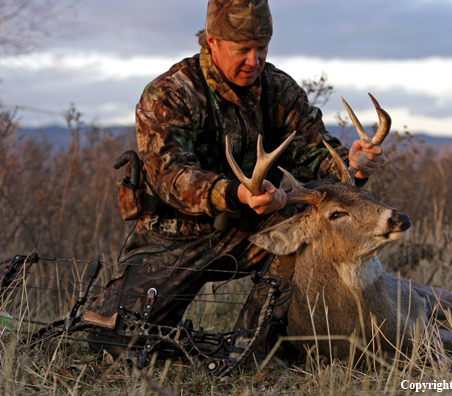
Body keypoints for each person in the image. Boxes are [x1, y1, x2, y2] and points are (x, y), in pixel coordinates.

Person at [87, 0, 384, 355]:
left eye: (262, 49)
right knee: (113, 342)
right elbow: (171, 176)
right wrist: (235, 193)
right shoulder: (169, 93)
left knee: (311, 233)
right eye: (242, 49)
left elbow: (316, 158)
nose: (254, 60)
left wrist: (353, 167)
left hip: (252, 229)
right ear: (211, 42)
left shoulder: (278, 88)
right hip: (175, 238)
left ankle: (257, 343)